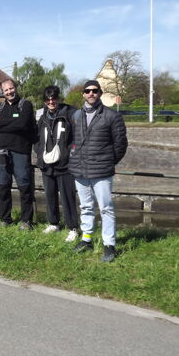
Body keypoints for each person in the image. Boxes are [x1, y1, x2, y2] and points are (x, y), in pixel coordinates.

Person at [68, 80, 128, 262]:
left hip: (101, 170)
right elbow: (73, 140)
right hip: (80, 169)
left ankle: (109, 244)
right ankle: (86, 239)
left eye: (95, 91)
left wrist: (108, 161)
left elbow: (121, 144)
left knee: (106, 208)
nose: (91, 94)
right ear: (83, 94)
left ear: (100, 93)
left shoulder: (111, 116)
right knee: (85, 206)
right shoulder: (76, 115)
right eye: (87, 91)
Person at [0, 79, 37, 230]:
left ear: (16, 88)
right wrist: (11, 122)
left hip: (20, 151)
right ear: (2, 92)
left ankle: (26, 220)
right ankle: (5, 218)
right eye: (6, 90)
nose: (9, 92)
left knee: (24, 186)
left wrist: (2, 122)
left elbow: (23, 124)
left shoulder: (26, 105)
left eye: (11, 89)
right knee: (3, 185)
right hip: (1, 151)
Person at [34, 86, 79, 240]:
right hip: (47, 163)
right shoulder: (43, 116)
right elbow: (37, 137)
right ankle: (54, 223)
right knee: (50, 195)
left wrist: (70, 153)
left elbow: (77, 137)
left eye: (54, 98)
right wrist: (39, 152)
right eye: (48, 99)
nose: (51, 101)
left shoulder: (70, 113)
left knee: (67, 196)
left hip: (65, 164)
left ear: (59, 98)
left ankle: (73, 227)